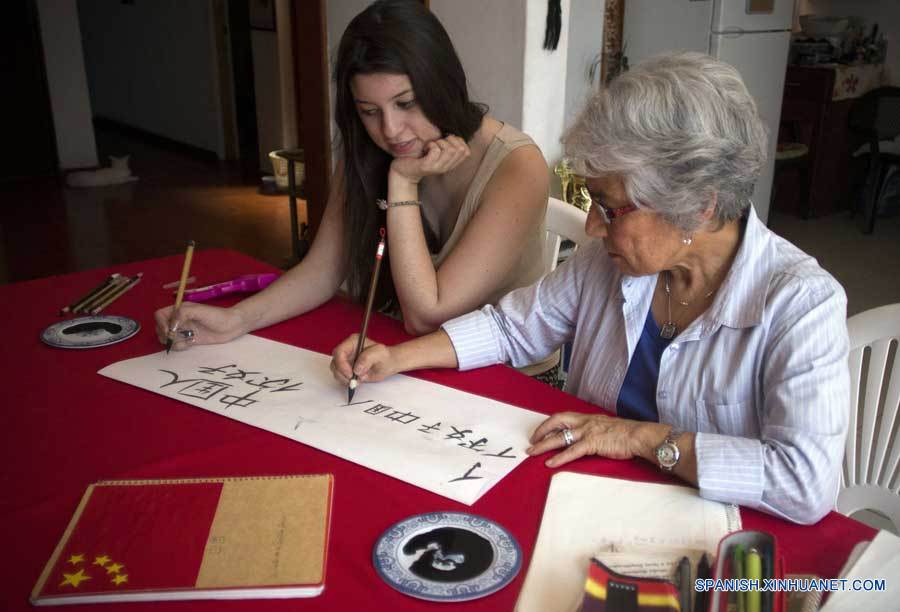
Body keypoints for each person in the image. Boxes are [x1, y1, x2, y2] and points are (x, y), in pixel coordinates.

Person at [330, 52, 850, 525]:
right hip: (585, 504)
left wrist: (640, 439)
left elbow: (804, 484)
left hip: (717, 540)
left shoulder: (800, 303)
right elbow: (511, 328)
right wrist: (397, 359)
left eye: (610, 207)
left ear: (696, 205)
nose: (594, 228)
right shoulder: (607, 262)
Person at [155, 0, 548, 348]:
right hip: (403, 360)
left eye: (406, 103)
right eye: (369, 111)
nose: (391, 131)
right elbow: (323, 270)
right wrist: (235, 320)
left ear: (442, 85)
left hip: (502, 379)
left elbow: (426, 316)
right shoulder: (370, 147)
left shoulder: (517, 167)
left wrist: (403, 182)